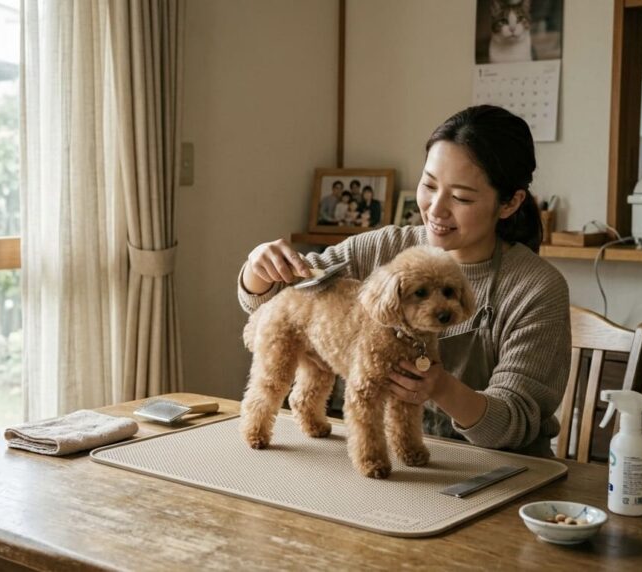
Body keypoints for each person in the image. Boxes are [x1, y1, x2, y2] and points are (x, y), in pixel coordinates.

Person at [237, 105, 570, 457]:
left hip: (501, 469)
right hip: (395, 469)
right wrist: (257, 269)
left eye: (460, 197)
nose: (435, 209)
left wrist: (441, 387)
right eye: (428, 185)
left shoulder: (536, 289)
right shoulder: (385, 247)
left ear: (510, 203)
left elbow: (517, 423)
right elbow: (280, 299)